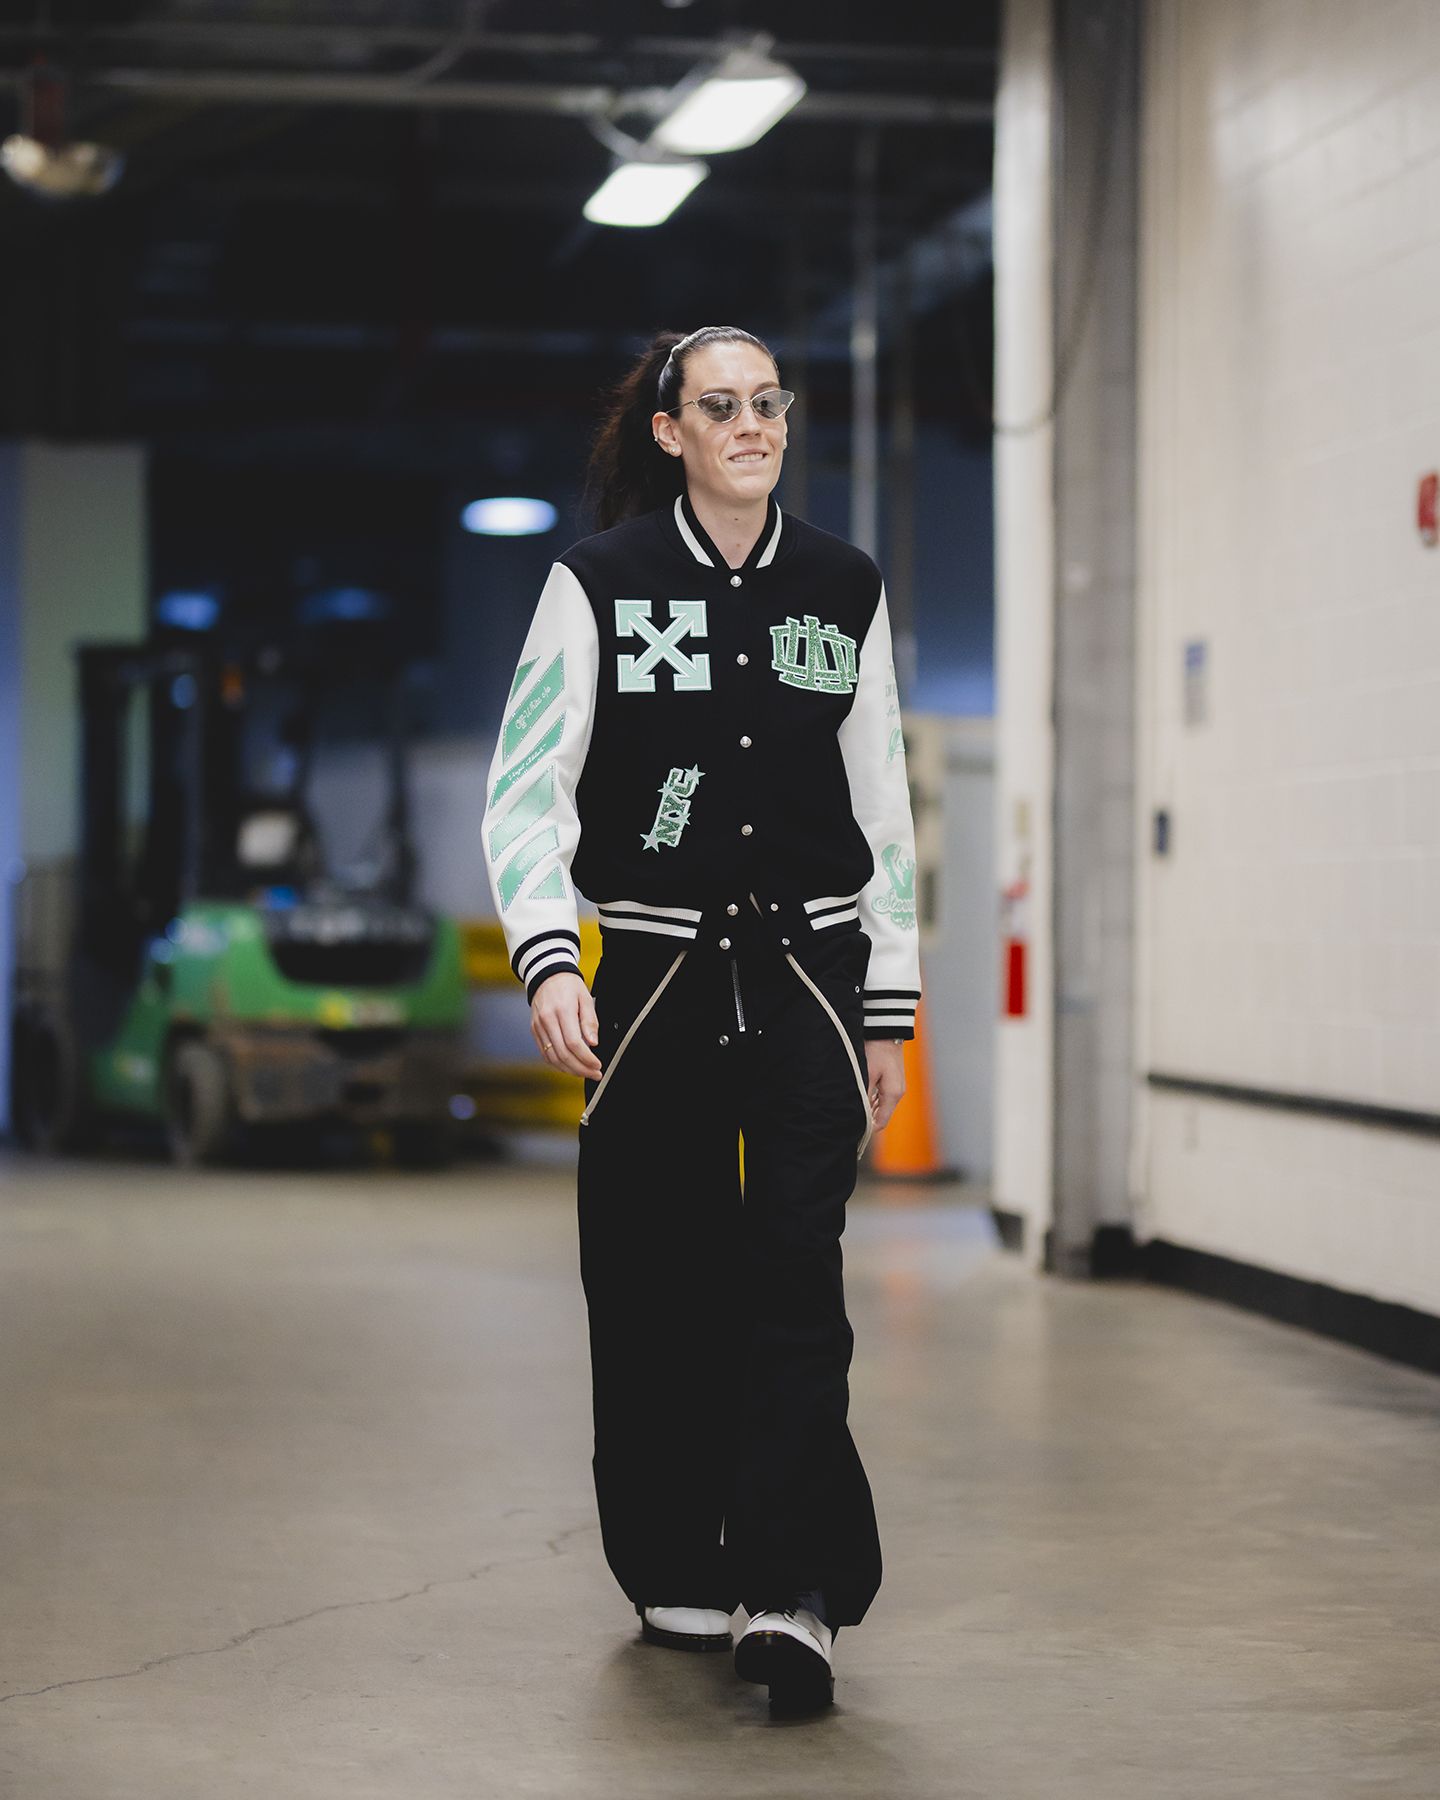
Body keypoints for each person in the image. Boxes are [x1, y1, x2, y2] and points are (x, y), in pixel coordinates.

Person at [481, 324, 920, 1714]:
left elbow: (883, 807)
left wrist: (890, 1009)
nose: (751, 424)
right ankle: (674, 1555)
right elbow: (527, 786)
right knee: (654, 1273)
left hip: (804, 981)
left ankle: (791, 1591)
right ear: (668, 429)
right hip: (654, 987)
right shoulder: (599, 584)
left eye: (767, 404)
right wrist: (551, 958)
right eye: (719, 405)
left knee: (795, 1279)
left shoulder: (844, 590)